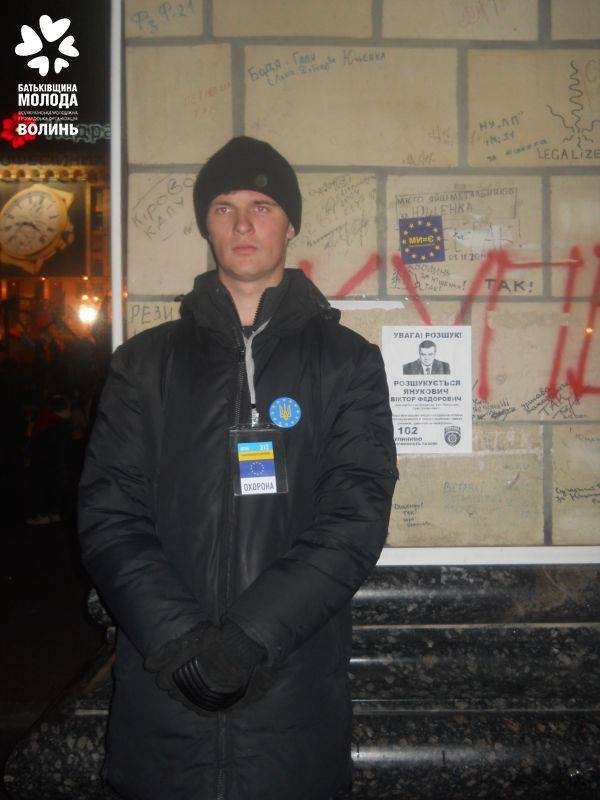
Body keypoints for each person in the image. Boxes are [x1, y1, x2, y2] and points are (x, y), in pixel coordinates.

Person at [78, 136, 398, 800]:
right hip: (166, 696)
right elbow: (109, 514)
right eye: (224, 207)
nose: (243, 224)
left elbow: (354, 518)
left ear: (290, 224)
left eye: (262, 206)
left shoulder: (347, 363)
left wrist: (249, 640)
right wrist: (180, 644)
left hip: (289, 692)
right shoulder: (145, 364)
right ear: (207, 224)